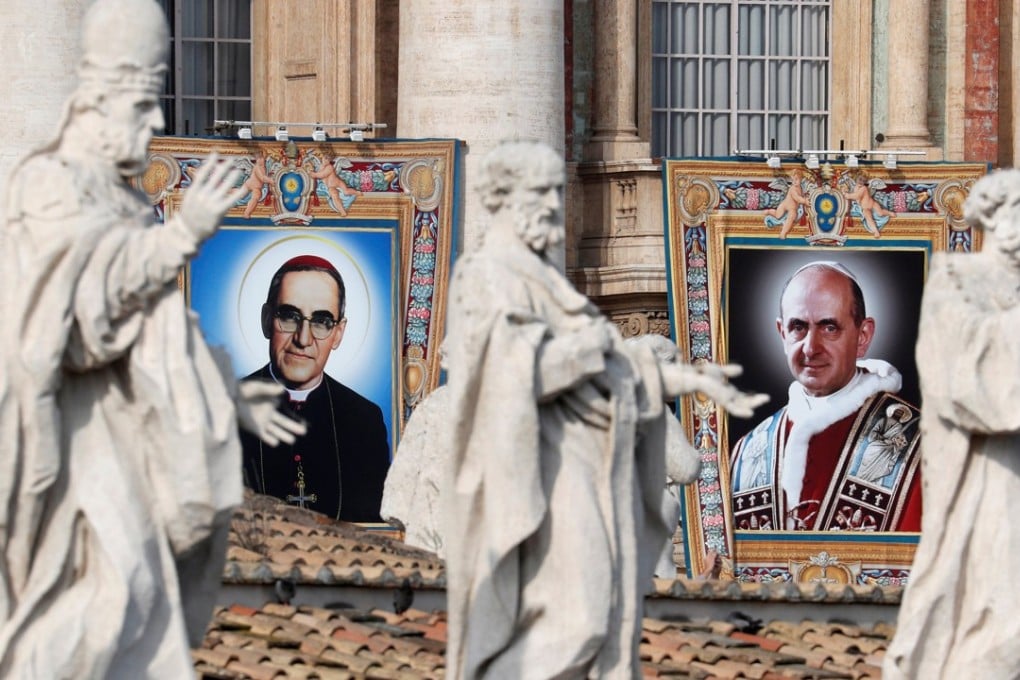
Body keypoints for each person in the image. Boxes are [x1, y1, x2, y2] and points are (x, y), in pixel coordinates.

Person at [0, 1, 305, 676]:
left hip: (128, 437)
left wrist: (226, 393)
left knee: (139, 605)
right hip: (77, 444)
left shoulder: (130, 202)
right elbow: (78, 319)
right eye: (142, 106)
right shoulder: (47, 185)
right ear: (94, 103)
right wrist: (181, 236)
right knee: (109, 600)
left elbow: (156, 328)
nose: (159, 123)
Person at [442, 141, 765, 677]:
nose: (554, 205)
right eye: (542, 193)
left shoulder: (541, 278)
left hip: (578, 468)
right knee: (581, 617)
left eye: (555, 191)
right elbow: (510, 376)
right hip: (533, 476)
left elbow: (615, 372)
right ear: (506, 197)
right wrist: (588, 350)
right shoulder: (485, 277)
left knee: (598, 614)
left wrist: (687, 380)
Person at [885, 170, 1020, 679]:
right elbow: (961, 381)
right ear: (999, 217)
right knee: (1002, 604)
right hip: (989, 473)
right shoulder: (955, 280)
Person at [730, 261, 922, 531]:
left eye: (829, 327)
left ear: (863, 336)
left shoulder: (921, 444)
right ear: (782, 333)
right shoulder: (746, 452)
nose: (811, 348)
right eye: (798, 327)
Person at [241, 255, 391, 522]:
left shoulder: (364, 420)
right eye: (289, 316)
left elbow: (376, 525)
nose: (303, 339)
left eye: (322, 322)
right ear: (266, 319)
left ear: (338, 333)